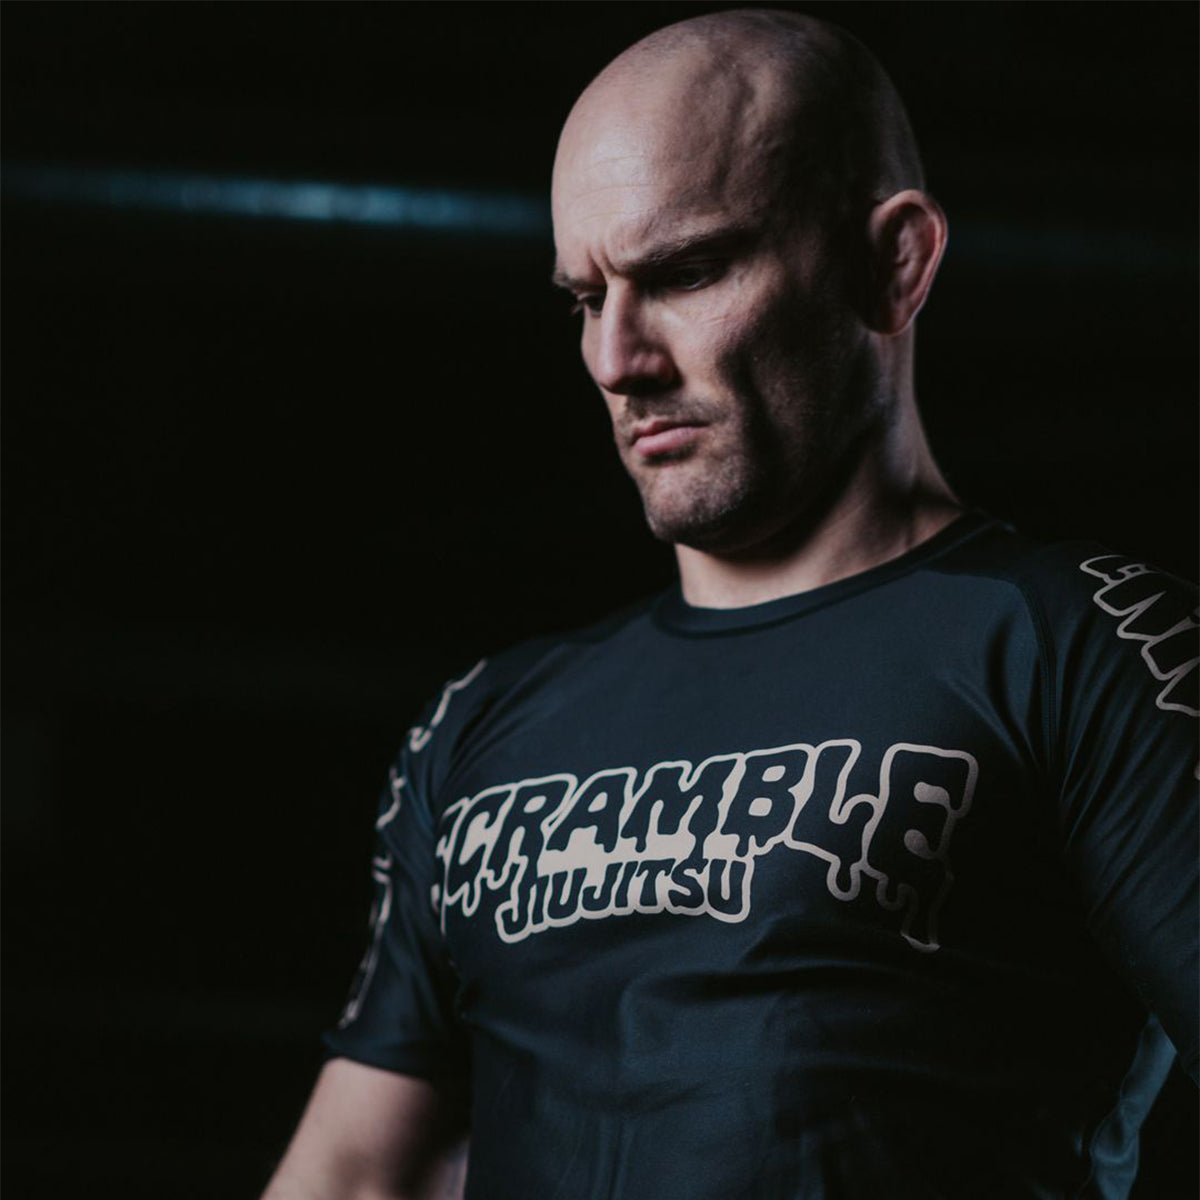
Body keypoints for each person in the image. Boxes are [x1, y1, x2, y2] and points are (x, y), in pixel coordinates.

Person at [263, 10, 1197, 1199]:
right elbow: (353, 1176)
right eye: (585, 297)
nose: (617, 358)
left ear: (893, 265)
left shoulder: (1082, 648)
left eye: (685, 273)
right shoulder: (488, 721)